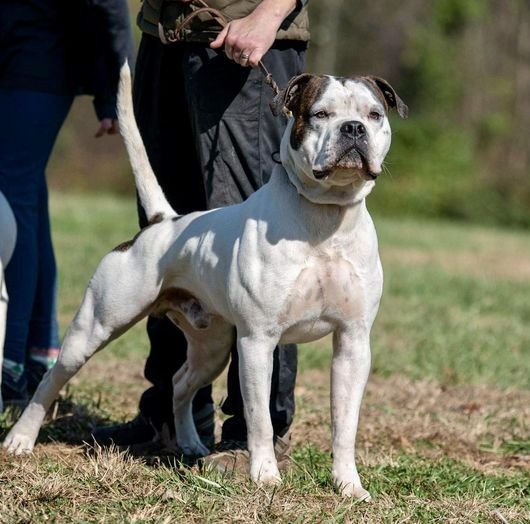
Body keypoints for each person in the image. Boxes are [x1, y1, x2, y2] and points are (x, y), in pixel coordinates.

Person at [92, 0, 310, 471]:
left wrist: (269, 15)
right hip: (166, 35)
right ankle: (167, 420)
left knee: (256, 255)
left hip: (245, 37)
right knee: (167, 240)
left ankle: (252, 438)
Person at [0, 0, 133, 407]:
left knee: (13, 196)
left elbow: (109, 5)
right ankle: (37, 352)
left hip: (37, 58)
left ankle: (11, 361)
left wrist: (114, 86)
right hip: (20, 54)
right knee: (26, 197)